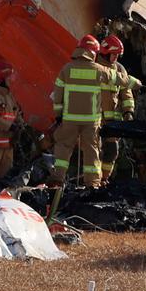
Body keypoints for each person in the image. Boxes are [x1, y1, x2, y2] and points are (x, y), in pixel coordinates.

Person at [48, 35, 108, 189]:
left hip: (69, 119)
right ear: (93, 53)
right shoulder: (99, 70)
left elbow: (58, 94)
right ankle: (93, 183)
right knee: (92, 150)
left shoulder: (66, 69)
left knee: (63, 147)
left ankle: (57, 180)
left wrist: (58, 115)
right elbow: (117, 79)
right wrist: (136, 83)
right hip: (91, 122)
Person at [95, 35, 141, 185]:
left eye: (117, 55)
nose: (115, 58)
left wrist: (129, 111)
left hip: (113, 122)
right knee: (94, 152)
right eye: (114, 55)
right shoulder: (94, 67)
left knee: (112, 151)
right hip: (95, 119)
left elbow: (126, 92)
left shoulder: (120, 68)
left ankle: (104, 179)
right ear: (105, 52)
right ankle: (92, 180)